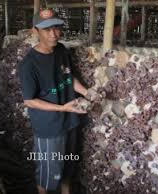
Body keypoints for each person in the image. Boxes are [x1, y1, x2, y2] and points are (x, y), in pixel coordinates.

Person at [18, 9, 98, 194]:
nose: (53, 34)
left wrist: (87, 92)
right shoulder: (29, 65)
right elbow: (29, 101)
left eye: (56, 28)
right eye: (47, 30)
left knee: (67, 169)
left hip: (70, 121)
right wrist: (62, 107)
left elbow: (69, 79)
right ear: (35, 31)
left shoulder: (61, 50)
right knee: (48, 174)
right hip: (50, 128)